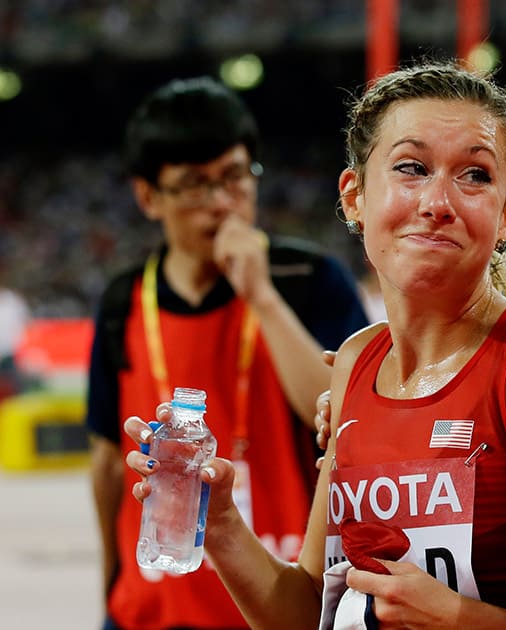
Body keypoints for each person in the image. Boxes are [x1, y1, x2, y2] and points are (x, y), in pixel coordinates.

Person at [124, 63, 506, 629]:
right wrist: (217, 524)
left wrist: (460, 619)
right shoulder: (355, 365)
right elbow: (302, 613)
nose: (438, 201)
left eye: (475, 176)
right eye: (411, 168)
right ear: (354, 196)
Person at [87, 76, 369, 630]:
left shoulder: (309, 279)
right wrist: (111, 584)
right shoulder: (124, 300)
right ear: (149, 196)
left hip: (277, 598)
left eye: (235, 177)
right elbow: (106, 464)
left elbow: (347, 420)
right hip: (154, 603)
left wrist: (261, 297)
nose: (220, 202)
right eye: (194, 184)